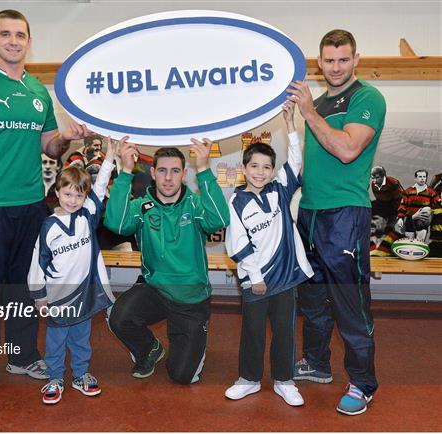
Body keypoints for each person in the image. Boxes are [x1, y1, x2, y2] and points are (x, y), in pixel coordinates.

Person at [0, 9, 94, 413]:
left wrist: (66, 136)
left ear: (29, 41)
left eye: (20, 35)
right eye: (6, 34)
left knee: (26, 289)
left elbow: (50, 149)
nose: (13, 40)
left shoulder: (38, 91)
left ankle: (22, 356)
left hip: (30, 207)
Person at [287, 29, 386, 416]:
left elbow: (346, 149)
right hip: (309, 212)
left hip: (345, 213)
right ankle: (317, 362)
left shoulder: (367, 97)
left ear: (356, 59)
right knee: (311, 299)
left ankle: (363, 383)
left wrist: (307, 112)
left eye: (343, 59)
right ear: (319, 62)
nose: (336, 67)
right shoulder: (323, 100)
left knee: (350, 303)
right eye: (329, 60)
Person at [105, 139, 229, 384]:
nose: (168, 178)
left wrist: (204, 169)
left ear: (184, 174)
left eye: (175, 171)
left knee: (183, 376)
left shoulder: (194, 204)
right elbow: (116, 224)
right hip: (156, 290)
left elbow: (220, 219)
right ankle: (150, 348)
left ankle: (187, 336)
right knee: (118, 317)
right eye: (162, 170)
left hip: (191, 299)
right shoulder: (142, 207)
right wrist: (126, 172)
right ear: (153, 173)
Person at [224, 102, 313, 406]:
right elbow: (238, 243)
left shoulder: (280, 190)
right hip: (256, 281)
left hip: (285, 277)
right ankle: (248, 379)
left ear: (272, 170)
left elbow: (296, 161)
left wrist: (290, 125)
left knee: (285, 332)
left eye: (266, 167)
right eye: (254, 166)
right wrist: (257, 277)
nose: (260, 172)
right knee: (253, 331)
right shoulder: (236, 201)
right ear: (245, 169)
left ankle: (284, 380)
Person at [28, 138, 118, 405]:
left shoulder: (87, 216)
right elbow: (37, 262)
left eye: (79, 195)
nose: (74, 199)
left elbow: (100, 186)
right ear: (57, 193)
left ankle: (80, 375)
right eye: (68, 194)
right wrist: (39, 296)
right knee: (55, 340)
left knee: (81, 338)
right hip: (57, 296)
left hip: (85, 294)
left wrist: (110, 156)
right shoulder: (49, 226)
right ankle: (55, 378)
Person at [396, 170, 440, 242]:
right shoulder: (408, 191)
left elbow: (438, 203)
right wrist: (400, 218)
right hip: (410, 219)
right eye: (420, 177)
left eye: (424, 177)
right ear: (415, 178)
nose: (422, 178)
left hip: (422, 221)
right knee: (409, 242)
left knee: (419, 243)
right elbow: (403, 205)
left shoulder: (431, 192)